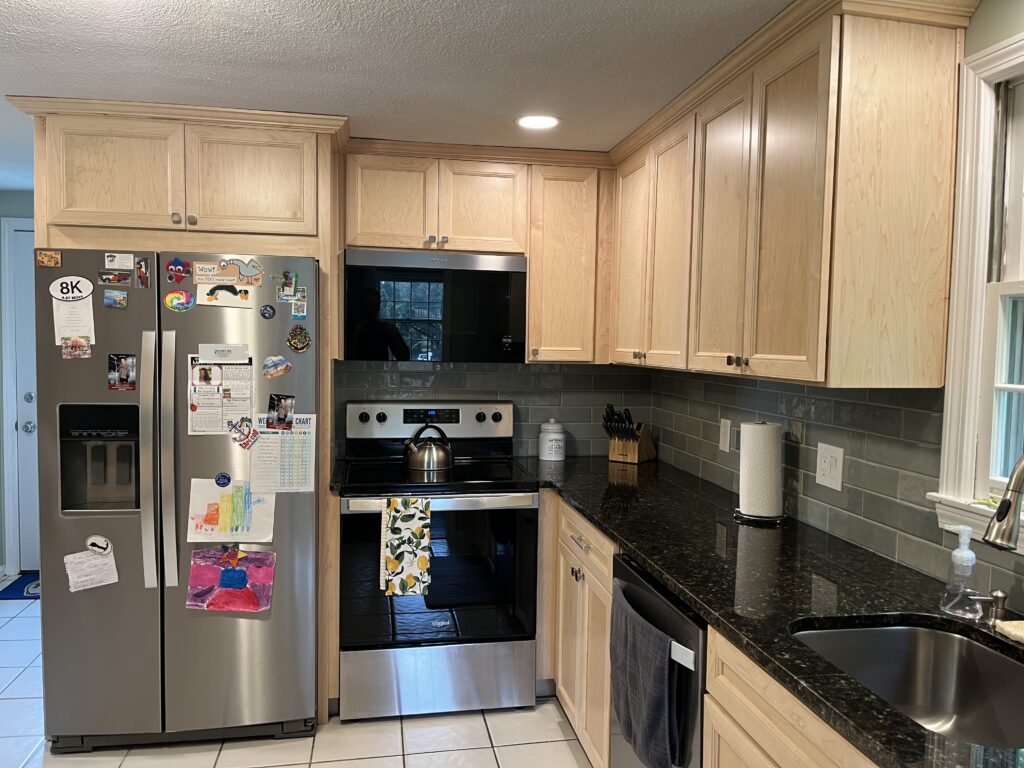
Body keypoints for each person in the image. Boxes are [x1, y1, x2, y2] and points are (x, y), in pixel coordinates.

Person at [351, 287, 410, 361]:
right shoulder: (348, 328)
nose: (371, 308)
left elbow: (404, 357)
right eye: (368, 304)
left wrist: (395, 335)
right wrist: (354, 335)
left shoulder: (383, 329)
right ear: (360, 304)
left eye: (375, 304)